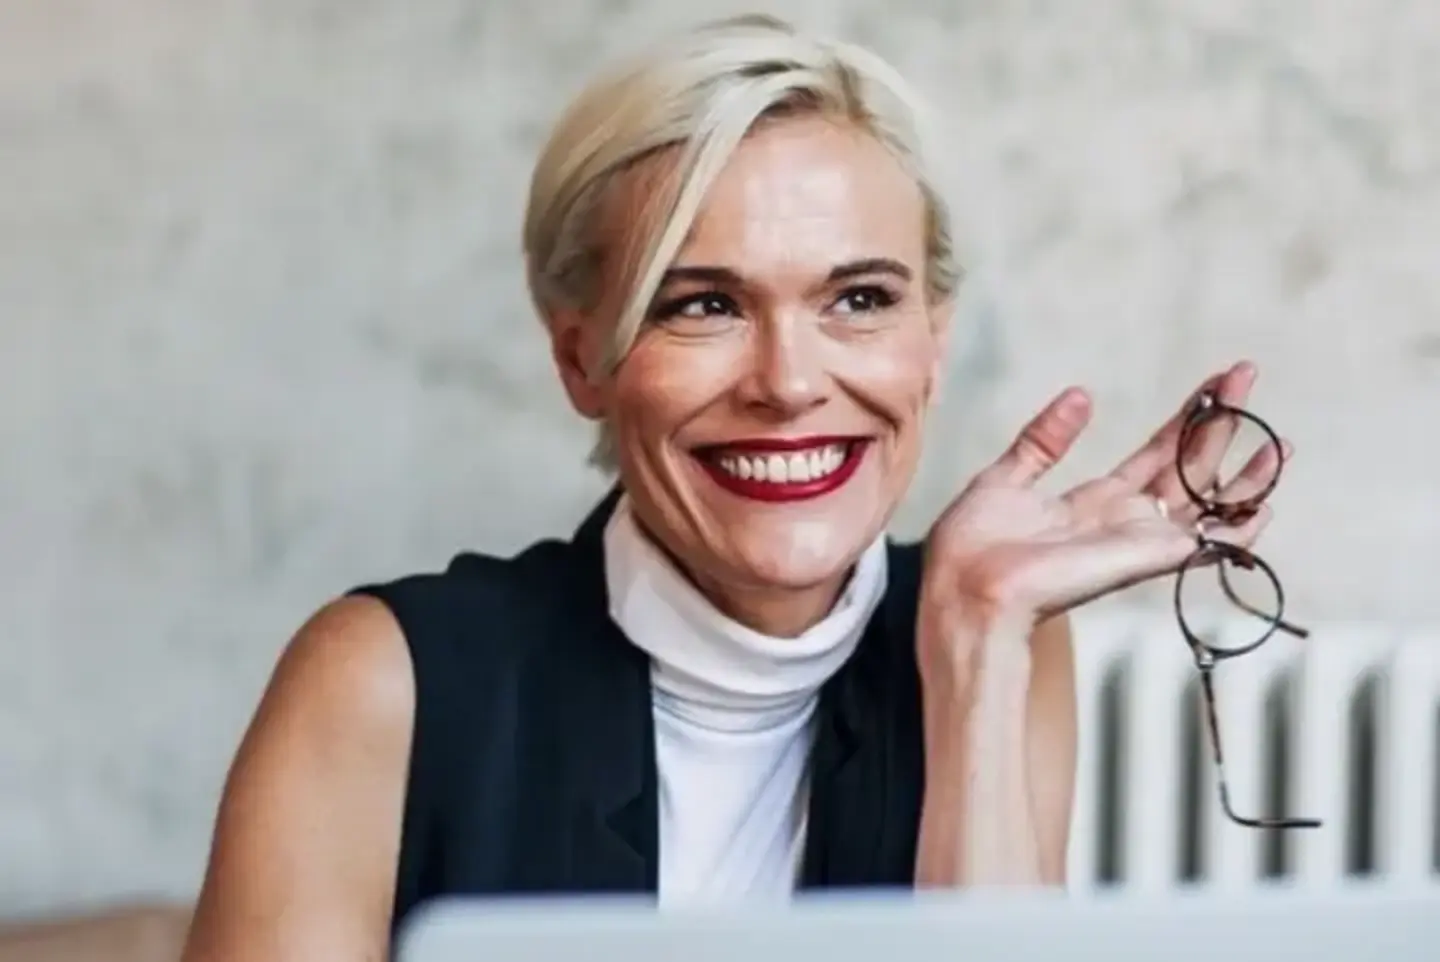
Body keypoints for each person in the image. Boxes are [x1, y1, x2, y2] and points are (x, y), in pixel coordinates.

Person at [180, 14, 1288, 961]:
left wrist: (980, 637)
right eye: (701, 304)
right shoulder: (382, 678)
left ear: (932, 345)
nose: (791, 382)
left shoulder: (995, 642)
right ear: (582, 358)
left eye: (857, 298)